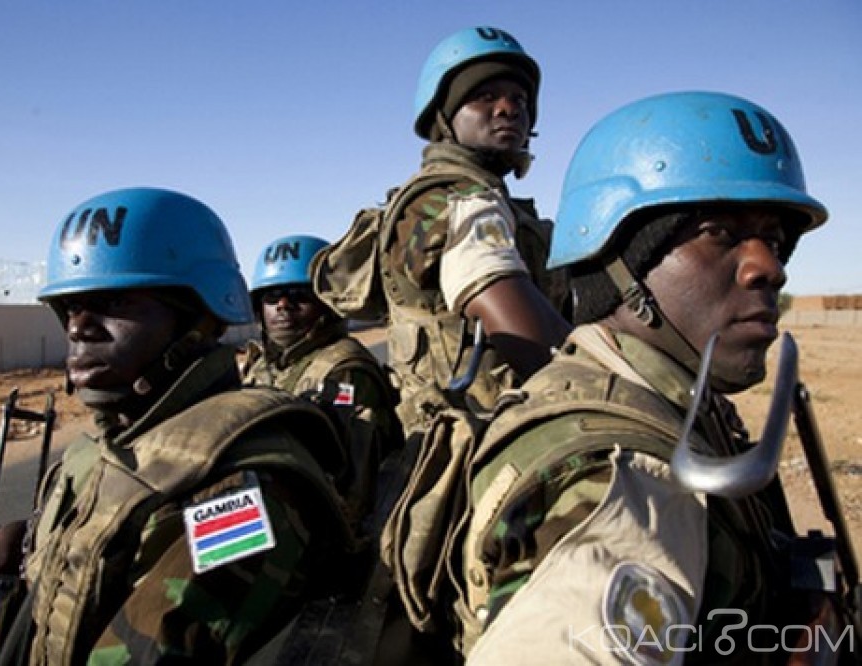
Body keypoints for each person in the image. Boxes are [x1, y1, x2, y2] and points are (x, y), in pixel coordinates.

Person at [439, 91, 853, 664]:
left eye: (776, 241)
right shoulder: (621, 479)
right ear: (618, 263)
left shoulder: (679, 398)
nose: (770, 268)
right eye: (718, 232)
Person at [0, 187, 353, 664]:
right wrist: (27, 540)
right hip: (31, 624)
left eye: (116, 303)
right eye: (72, 307)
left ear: (200, 317)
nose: (79, 327)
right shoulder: (132, 428)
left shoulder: (242, 496)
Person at [311, 25, 571, 444]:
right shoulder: (454, 200)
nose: (508, 108)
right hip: (477, 444)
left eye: (519, 99)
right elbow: (531, 342)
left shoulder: (479, 199)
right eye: (484, 96)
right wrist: (612, 395)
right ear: (443, 117)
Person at [242, 234, 402, 531]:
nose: (283, 305)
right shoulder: (260, 366)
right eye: (271, 296)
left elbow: (354, 491)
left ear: (327, 303)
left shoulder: (343, 369)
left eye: (298, 295)